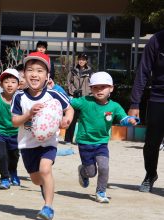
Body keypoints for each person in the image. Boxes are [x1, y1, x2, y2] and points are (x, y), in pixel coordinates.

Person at [11, 52, 74, 220]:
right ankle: (44, 187)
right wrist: (29, 115)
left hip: (48, 142)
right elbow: (15, 121)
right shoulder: (19, 96)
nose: (34, 74)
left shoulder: (53, 95)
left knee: (45, 169)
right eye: (30, 70)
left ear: (47, 76)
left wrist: (66, 119)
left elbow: (69, 108)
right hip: (27, 145)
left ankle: (48, 207)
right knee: (36, 179)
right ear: (23, 74)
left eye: (40, 71)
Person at [71, 72, 139, 203]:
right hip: (85, 143)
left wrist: (129, 120)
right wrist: (55, 89)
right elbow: (68, 101)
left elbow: (123, 119)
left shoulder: (114, 106)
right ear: (91, 89)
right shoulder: (85, 101)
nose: (99, 90)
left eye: (103, 87)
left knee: (104, 167)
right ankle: (83, 171)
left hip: (101, 143)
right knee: (91, 172)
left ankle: (101, 192)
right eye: (95, 87)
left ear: (111, 88)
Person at [128, 30, 164, 193]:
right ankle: (150, 174)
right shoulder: (156, 41)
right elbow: (143, 72)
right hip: (158, 98)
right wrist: (135, 103)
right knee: (151, 143)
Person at [64, 52, 93, 144]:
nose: (81, 61)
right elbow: (68, 83)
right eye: (80, 59)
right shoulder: (73, 71)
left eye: (83, 60)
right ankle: (68, 139)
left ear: (86, 61)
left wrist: (90, 95)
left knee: (84, 119)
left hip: (86, 98)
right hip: (75, 97)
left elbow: (93, 85)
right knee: (72, 118)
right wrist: (72, 91)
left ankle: (80, 139)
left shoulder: (91, 72)